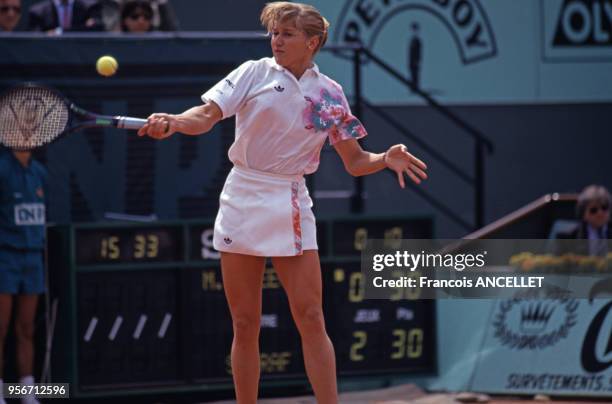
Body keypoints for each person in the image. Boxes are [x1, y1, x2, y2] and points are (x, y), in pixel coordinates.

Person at [138, 2, 428, 402]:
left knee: (310, 316)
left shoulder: (329, 93)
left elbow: (356, 161)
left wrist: (384, 159)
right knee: (245, 322)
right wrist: (173, 121)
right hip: (241, 195)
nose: (277, 40)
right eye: (274, 33)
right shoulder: (253, 72)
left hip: (290, 199)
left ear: (313, 42)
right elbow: (206, 115)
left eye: (287, 34)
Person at [0, 148, 47, 404]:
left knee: (26, 328)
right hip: (5, 257)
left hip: (33, 259)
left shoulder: (40, 173)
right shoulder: (2, 170)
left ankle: (26, 392)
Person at [557, 184, 610, 256]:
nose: (600, 213)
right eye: (593, 210)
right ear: (583, 214)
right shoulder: (567, 239)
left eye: (604, 207)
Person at [27, 0, 101, 34]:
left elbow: (97, 29)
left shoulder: (90, 7)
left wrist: (58, 32)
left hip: (83, 54)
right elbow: (35, 38)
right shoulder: (37, 12)